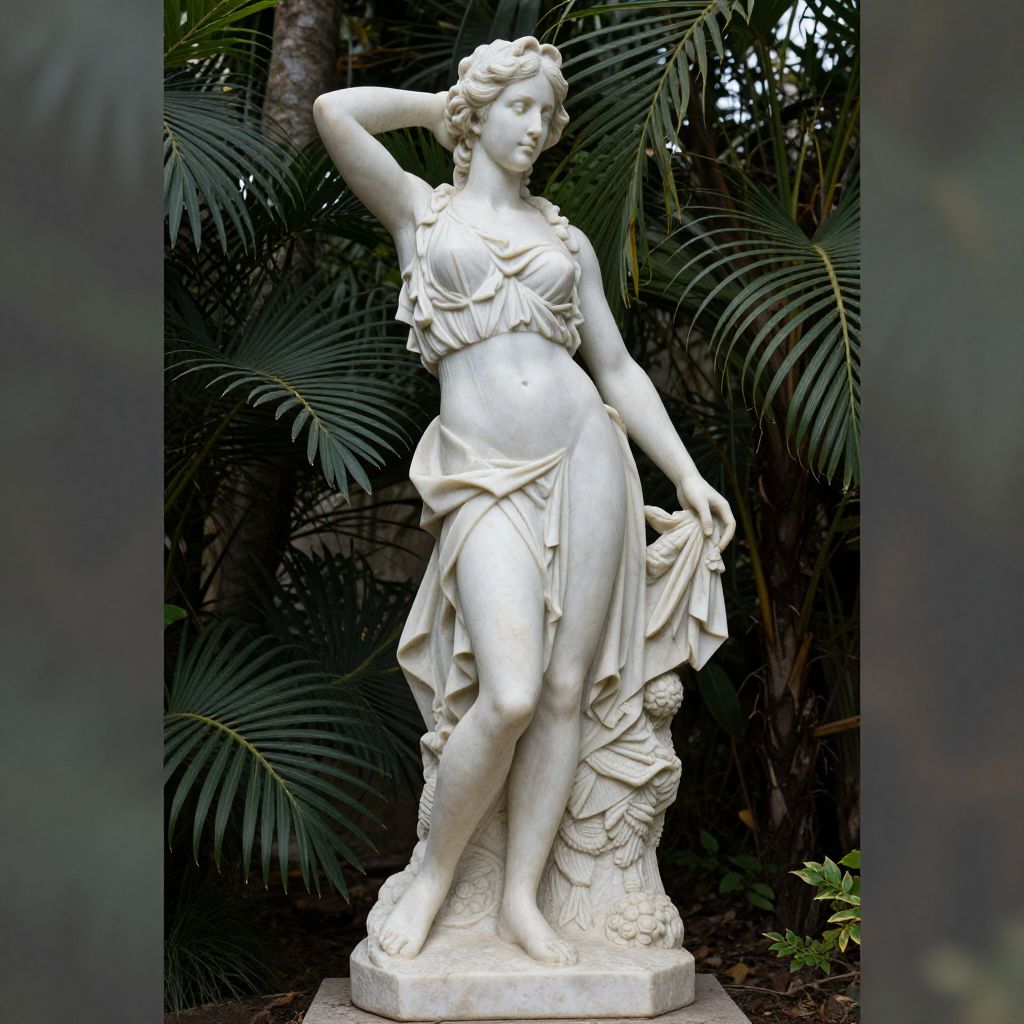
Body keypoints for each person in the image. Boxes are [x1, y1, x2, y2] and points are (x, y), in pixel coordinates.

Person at [313, 36, 735, 967]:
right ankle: (434, 877)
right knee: (507, 693)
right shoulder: (422, 213)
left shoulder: (566, 241)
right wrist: (441, 109)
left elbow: (615, 368)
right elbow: (333, 114)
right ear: (482, 111)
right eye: (520, 107)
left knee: (562, 690)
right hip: (481, 470)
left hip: (587, 454)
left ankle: (519, 900)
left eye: (548, 112)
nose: (538, 127)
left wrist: (686, 475)